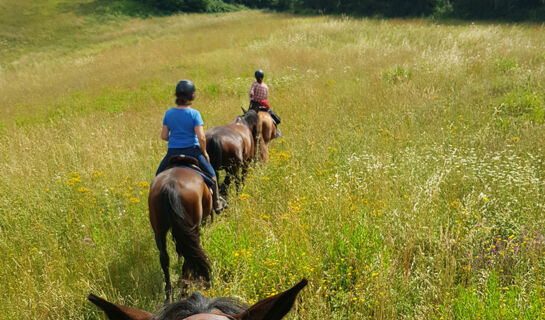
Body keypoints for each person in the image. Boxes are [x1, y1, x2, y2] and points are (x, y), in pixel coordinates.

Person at [156, 80, 226, 213]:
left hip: (172, 153)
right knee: (212, 176)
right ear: (192, 96)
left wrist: (176, 139)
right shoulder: (194, 114)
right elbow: (201, 137)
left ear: (176, 95)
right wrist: (204, 152)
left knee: (157, 176)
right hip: (193, 152)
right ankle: (217, 204)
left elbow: (164, 136)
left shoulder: (168, 113)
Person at [249, 69, 281, 136]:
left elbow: (251, 93)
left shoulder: (254, 84)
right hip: (264, 105)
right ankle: (276, 131)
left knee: (247, 119)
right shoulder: (265, 86)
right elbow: (266, 96)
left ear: (255, 77)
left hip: (255, 105)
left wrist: (251, 98)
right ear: (262, 77)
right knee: (275, 118)